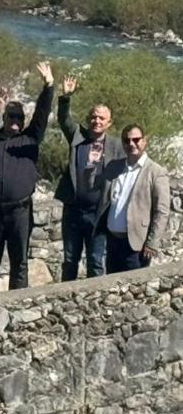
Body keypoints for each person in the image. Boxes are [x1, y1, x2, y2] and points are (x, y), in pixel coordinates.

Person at [0, 62, 53, 292]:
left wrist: (48, 86)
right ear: (4, 118)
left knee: (19, 262)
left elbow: (42, 115)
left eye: (19, 117)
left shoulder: (30, 139)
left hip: (20, 211)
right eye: (11, 116)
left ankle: (17, 303)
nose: (15, 120)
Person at [55, 77, 120, 281]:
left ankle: (95, 302)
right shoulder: (78, 136)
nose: (96, 121)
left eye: (101, 118)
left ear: (109, 123)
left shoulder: (116, 147)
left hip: (99, 213)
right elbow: (64, 119)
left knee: (96, 260)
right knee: (70, 259)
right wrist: (66, 97)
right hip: (73, 210)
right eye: (93, 117)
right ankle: (65, 300)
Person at [96, 125, 171, 274]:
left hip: (137, 245)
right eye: (127, 140)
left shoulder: (155, 172)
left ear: (144, 141)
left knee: (133, 292)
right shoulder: (114, 167)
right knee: (112, 290)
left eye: (136, 140)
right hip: (112, 242)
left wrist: (153, 242)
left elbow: (162, 211)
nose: (131, 144)